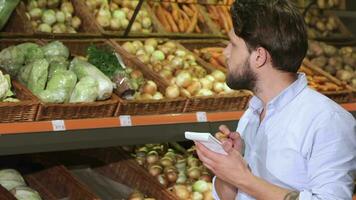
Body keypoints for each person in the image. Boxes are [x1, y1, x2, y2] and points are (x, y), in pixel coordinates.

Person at [195, 0, 356, 199]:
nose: (225, 53)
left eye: (233, 45)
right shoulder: (253, 112)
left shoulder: (327, 121)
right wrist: (227, 168)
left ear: (259, 57)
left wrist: (243, 178)